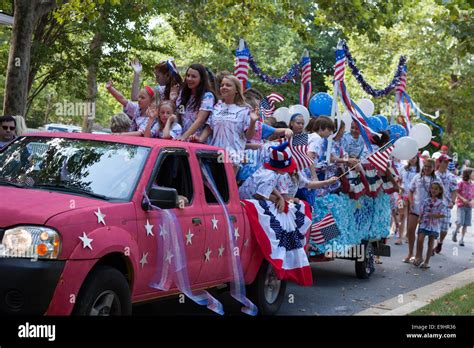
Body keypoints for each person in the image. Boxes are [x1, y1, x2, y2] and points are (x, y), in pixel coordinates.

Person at [196, 75, 259, 173]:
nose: (224, 87)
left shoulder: (245, 109)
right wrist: (199, 139)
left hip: (233, 156)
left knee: (226, 188)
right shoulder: (217, 106)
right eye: (222, 85)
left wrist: (253, 122)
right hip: (214, 154)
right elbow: (209, 128)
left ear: (237, 90)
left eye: (228, 85)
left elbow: (249, 137)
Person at [238, 142, 297, 212]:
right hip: (246, 203)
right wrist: (276, 200)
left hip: (242, 196)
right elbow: (259, 195)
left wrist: (280, 197)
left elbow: (268, 186)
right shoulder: (271, 176)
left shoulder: (265, 169)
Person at [403, 158, 440, 263]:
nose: (427, 168)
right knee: (410, 230)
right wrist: (411, 202)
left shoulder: (436, 179)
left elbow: (441, 193)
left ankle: (419, 257)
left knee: (421, 235)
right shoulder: (417, 176)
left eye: (429, 167)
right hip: (415, 208)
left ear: (433, 168)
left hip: (428, 212)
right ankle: (410, 253)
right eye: (425, 166)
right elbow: (410, 190)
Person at [177, 64, 216, 140]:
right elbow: (179, 114)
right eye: (188, 75)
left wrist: (184, 137)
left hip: (197, 141)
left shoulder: (208, 96)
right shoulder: (183, 94)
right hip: (181, 139)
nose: (189, 79)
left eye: (193, 76)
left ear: (201, 79)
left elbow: (200, 120)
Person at [414, 182, 446, 269]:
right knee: (420, 239)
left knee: (430, 242)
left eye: (436, 189)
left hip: (434, 225)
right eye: (432, 188)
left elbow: (443, 214)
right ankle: (419, 257)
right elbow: (422, 211)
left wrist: (433, 215)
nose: (433, 190)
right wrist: (419, 218)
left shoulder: (441, 203)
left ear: (440, 191)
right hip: (424, 223)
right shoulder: (426, 200)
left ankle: (426, 261)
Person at [434, 155, 458, 253]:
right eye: (444, 162)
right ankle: (433, 246)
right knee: (434, 227)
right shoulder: (434, 175)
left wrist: (452, 202)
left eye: (448, 162)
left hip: (446, 205)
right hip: (434, 205)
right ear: (439, 162)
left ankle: (440, 242)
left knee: (444, 228)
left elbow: (454, 191)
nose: (446, 164)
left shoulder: (451, 176)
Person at [396, 155, 420, 245]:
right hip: (402, 196)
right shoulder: (403, 168)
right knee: (401, 215)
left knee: (410, 216)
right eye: (410, 157)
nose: (412, 159)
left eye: (414, 157)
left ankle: (407, 235)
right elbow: (398, 180)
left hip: (413, 197)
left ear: (417, 159)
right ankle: (399, 237)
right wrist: (399, 188)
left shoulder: (419, 171)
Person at [452, 168, 473, 246]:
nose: (473, 175)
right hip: (461, 205)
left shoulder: (472, 184)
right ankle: (455, 231)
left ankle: (462, 239)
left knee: (466, 223)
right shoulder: (461, 183)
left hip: (469, 206)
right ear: (468, 174)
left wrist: (472, 201)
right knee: (460, 221)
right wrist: (463, 199)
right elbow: (456, 192)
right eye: (472, 173)